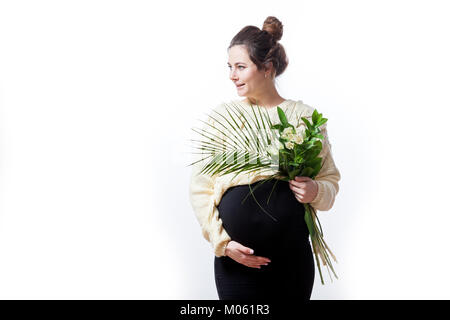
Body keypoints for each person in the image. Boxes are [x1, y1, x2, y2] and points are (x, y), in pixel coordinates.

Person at [188, 16, 341, 301]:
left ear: (267, 68)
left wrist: (316, 190)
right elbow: (200, 188)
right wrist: (223, 244)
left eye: (241, 67)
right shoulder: (224, 119)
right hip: (236, 264)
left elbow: (329, 181)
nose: (232, 75)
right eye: (230, 67)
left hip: (291, 263)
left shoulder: (306, 118)